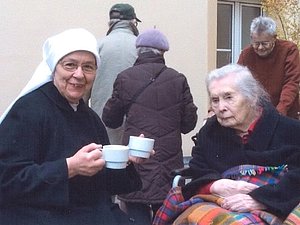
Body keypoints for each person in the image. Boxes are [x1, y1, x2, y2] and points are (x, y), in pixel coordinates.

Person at [0, 28, 147, 225]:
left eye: (88, 67)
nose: (79, 75)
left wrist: (124, 161)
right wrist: (69, 167)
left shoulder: (90, 118)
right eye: (70, 65)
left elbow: (106, 186)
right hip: (39, 216)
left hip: (92, 214)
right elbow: (7, 181)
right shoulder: (28, 111)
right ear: (54, 68)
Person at [153, 64, 300, 225]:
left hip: (279, 203)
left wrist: (262, 199)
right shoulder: (209, 133)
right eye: (215, 100)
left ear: (252, 97)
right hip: (219, 201)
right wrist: (216, 185)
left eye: (229, 97)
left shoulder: (291, 131)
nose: (221, 108)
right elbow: (198, 170)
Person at [102, 28, 198, 224]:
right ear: (163, 53)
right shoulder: (178, 79)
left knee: (136, 212)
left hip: (137, 160)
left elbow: (110, 119)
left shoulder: (124, 78)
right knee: (168, 213)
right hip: (169, 162)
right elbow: (189, 124)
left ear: (138, 51)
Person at [86, 3, 141, 145]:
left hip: (101, 118)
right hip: (136, 121)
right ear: (133, 22)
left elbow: (85, 86)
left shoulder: (97, 46)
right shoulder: (141, 47)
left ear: (110, 23)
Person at [238, 16, 300, 119]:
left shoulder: (289, 50)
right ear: (251, 38)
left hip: (285, 113)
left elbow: (292, 82)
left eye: (265, 43)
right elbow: (236, 82)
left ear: (274, 38)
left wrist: (280, 111)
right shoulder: (246, 54)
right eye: (256, 43)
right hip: (256, 113)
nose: (260, 47)